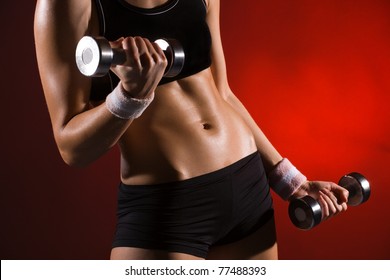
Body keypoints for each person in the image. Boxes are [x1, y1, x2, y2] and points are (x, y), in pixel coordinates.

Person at [34, 0, 349, 260]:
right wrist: (130, 97)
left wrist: (290, 181)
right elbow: (70, 146)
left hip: (248, 188)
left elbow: (223, 93)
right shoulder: (68, 4)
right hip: (168, 207)